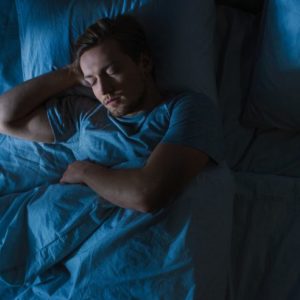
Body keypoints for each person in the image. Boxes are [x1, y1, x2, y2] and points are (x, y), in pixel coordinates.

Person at [0, 15, 223, 212]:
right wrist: (70, 74)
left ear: (144, 63)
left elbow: (147, 194)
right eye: (92, 81)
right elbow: (5, 118)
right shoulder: (85, 116)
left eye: (112, 71)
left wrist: (85, 172)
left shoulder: (187, 108)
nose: (104, 90)